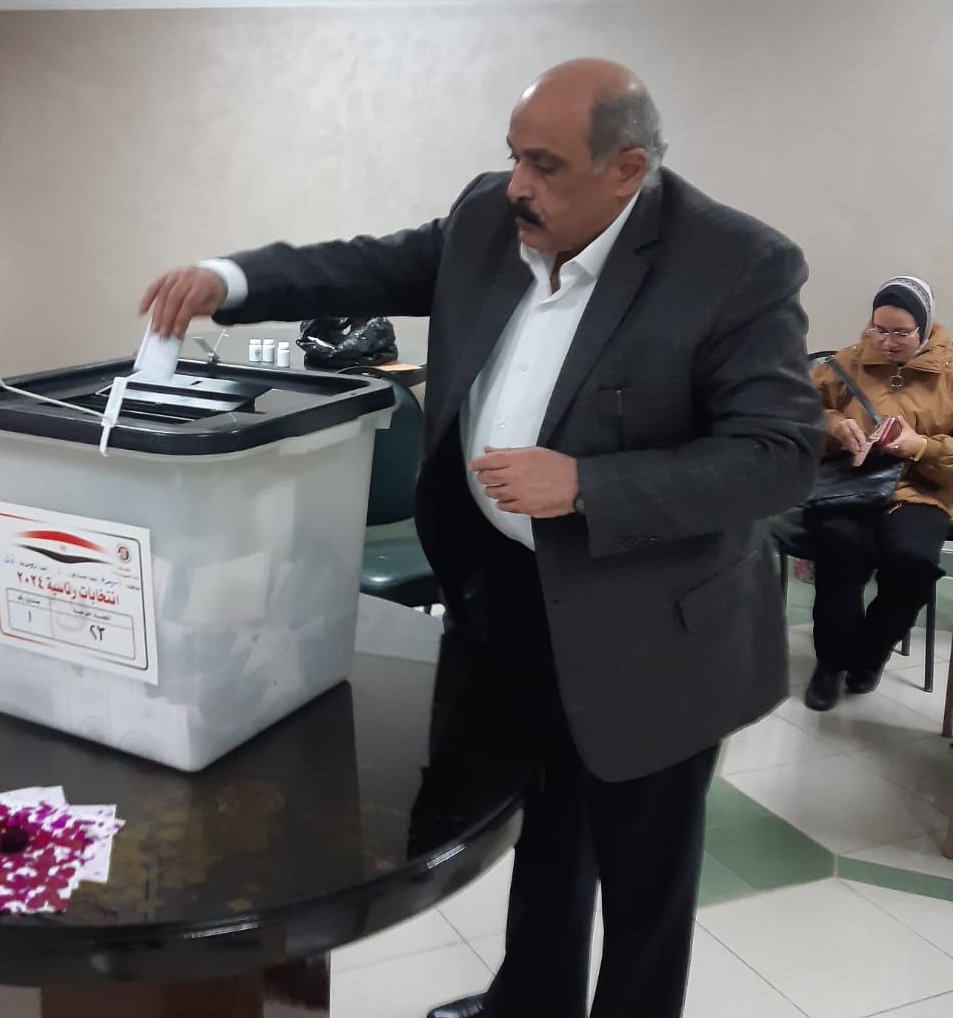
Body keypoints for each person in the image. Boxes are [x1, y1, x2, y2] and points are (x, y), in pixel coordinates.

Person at [139, 58, 823, 1018]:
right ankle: (531, 1003)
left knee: (643, 880)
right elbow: (368, 264)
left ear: (627, 170)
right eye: (513, 156)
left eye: (545, 165)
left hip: (653, 634)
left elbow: (779, 456)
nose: (516, 185)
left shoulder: (735, 265)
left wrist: (587, 484)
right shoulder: (490, 219)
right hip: (512, 601)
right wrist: (231, 277)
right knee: (544, 827)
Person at [803, 277, 953, 712]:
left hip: (919, 490)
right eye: (878, 330)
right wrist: (834, 426)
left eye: (901, 333)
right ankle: (831, 662)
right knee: (839, 548)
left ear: (924, 327)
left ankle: (870, 654)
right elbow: (800, 411)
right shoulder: (846, 362)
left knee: (912, 563)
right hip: (850, 484)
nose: (886, 343)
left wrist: (919, 446)